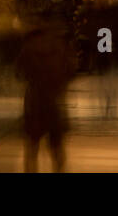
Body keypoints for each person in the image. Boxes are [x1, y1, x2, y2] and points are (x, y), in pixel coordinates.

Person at [16, 12, 76, 172]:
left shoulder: (28, 45)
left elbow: (20, 73)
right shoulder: (60, 44)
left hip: (34, 100)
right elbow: (71, 69)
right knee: (57, 147)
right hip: (55, 100)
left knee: (31, 147)